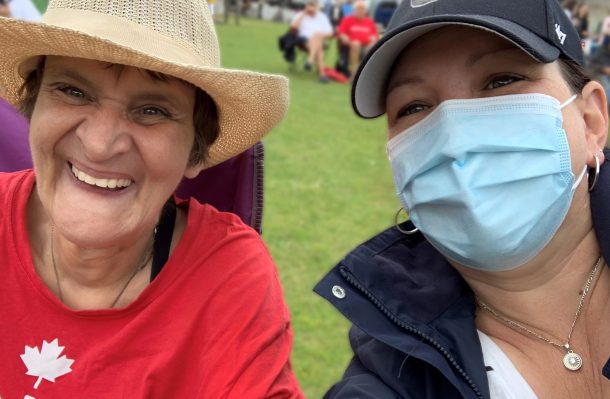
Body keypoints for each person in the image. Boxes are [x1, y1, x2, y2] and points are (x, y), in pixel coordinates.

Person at [0, 0, 304, 397]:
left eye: (152, 110)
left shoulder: (228, 278)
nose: (99, 144)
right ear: (33, 104)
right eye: (73, 91)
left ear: (197, 149)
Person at [315, 0, 609, 397]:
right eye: (415, 106)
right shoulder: (389, 380)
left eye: (501, 80)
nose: (454, 137)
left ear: (591, 121)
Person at [290, 0, 334, 83]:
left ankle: (310, 60)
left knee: (317, 36)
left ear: (317, 7)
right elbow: (293, 28)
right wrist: (304, 14)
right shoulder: (300, 15)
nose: (312, 8)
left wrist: (320, 35)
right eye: (310, 5)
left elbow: (330, 33)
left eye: (313, 5)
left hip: (320, 41)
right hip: (303, 42)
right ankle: (322, 74)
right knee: (319, 47)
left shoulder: (322, 17)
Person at [337, 0, 379, 79]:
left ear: (366, 11)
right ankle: (354, 73)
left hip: (366, 45)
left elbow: (375, 36)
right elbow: (341, 32)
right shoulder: (347, 20)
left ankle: (366, 73)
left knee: (371, 47)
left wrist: (373, 40)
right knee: (356, 44)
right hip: (350, 45)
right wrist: (344, 37)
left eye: (363, 9)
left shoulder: (369, 22)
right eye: (359, 9)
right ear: (354, 10)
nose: (361, 11)